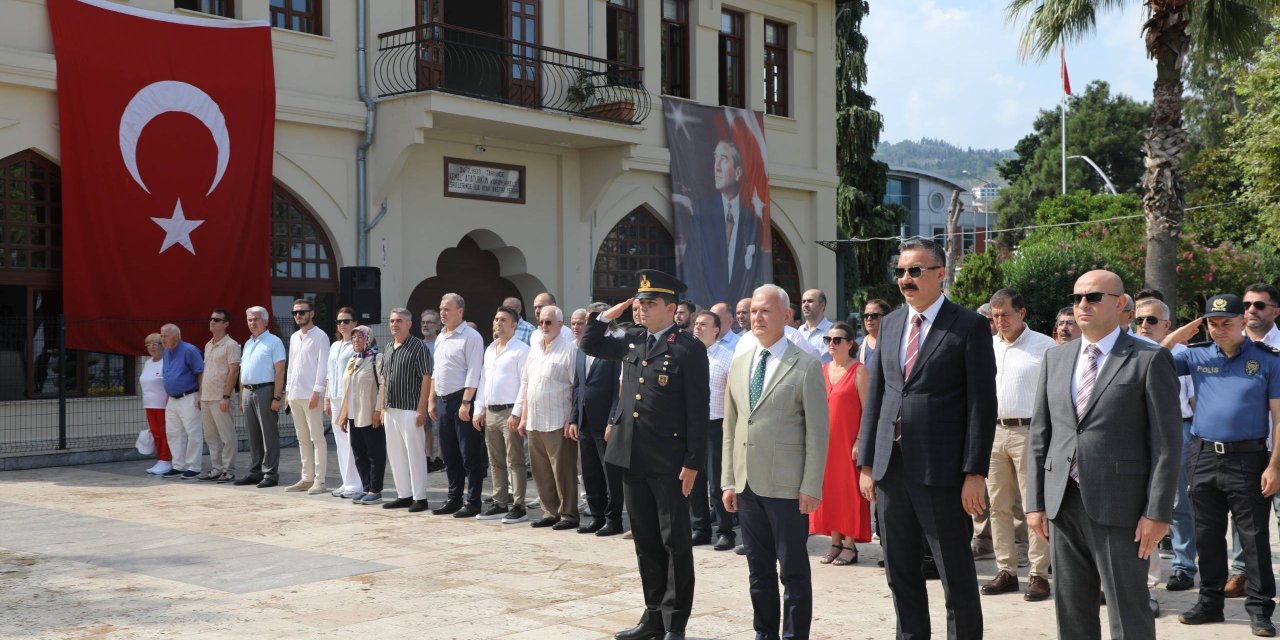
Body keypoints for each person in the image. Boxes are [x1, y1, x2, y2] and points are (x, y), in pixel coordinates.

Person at [1025, 270, 1181, 640]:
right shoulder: (1057, 358)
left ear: (1120, 303)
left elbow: (1167, 442)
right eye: (1078, 297)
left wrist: (1157, 512)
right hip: (1063, 502)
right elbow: (1040, 434)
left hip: (1122, 507)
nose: (1082, 304)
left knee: (1128, 611)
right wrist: (1035, 502)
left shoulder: (1149, 358)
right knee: (1072, 611)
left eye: (1093, 297)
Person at [857, 237, 996, 640]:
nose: (906, 279)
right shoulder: (892, 324)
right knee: (900, 574)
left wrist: (974, 473)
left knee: (955, 576)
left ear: (940, 274)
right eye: (901, 271)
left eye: (915, 271)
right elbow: (878, 397)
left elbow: (981, 405)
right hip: (891, 470)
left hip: (944, 473)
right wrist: (867, 463)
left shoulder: (967, 325)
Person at [580, 269, 709, 640]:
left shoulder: (688, 348)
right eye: (639, 303)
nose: (642, 309)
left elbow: (698, 410)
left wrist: (693, 462)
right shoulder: (632, 340)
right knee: (646, 541)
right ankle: (652, 616)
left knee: (674, 543)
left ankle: (675, 623)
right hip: (631, 455)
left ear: (672, 308)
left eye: (650, 303)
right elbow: (589, 343)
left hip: (669, 461)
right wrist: (608, 314)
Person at [1161, 294, 1280, 636]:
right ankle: (1210, 603)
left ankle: (1259, 609)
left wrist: (1274, 466)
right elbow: (1154, 360)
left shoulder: (1267, 360)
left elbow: (1278, 418)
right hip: (1203, 455)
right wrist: (1178, 335)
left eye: (1226, 322)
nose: (1219, 330)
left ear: (1243, 321)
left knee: (1254, 537)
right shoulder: (1196, 354)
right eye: (1212, 324)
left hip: (1248, 457)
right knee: (1207, 535)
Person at [723, 284, 828, 640]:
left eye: (765, 311)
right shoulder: (740, 365)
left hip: (787, 489)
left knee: (794, 573)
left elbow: (817, 433)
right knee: (758, 571)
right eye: (753, 311)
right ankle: (764, 633)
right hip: (748, 485)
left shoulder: (806, 366)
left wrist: (811, 486)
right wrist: (728, 480)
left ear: (786, 316)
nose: (757, 317)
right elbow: (731, 426)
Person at [981, 289, 1055, 602]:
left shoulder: (1045, 346)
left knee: (1033, 506)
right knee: (996, 507)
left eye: (1006, 315)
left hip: (1030, 432)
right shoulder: (988, 346)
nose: (1000, 322)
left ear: (1021, 313)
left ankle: (1039, 574)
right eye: (995, 316)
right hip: (993, 433)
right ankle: (1007, 570)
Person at [1133, 297, 1198, 594]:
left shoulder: (1183, 354)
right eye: (1140, 320)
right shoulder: (1129, 349)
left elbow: (1195, 401)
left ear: (1167, 325)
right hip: (1137, 433)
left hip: (1178, 431)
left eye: (1151, 320)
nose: (1144, 326)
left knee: (1175, 501)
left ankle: (1184, 565)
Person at [810, 320, 870, 567]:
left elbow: (868, 410)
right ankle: (835, 542)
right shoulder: (822, 370)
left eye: (837, 340)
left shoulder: (859, 370)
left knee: (848, 493)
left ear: (850, 343)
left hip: (848, 442)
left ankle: (849, 544)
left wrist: (860, 440)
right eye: (828, 340)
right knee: (828, 492)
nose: (831, 344)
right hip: (824, 442)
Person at [682, 140, 765, 307]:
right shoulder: (701, 212)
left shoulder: (751, 221)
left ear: (738, 172)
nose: (717, 166)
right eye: (715, 158)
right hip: (706, 308)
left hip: (739, 312)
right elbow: (692, 265)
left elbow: (756, 272)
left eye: (724, 159)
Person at [519, 305, 580, 530]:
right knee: (541, 470)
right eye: (541, 322)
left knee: (563, 471)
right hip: (535, 419)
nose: (544, 326)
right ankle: (549, 512)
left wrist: (571, 419)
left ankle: (569, 514)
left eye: (549, 322)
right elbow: (526, 384)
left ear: (559, 325)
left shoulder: (569, 350)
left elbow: (576, 387)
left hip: (558, 420)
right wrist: (524, 417)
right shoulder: (534, 349)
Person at [428, 293, 486, 517]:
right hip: (443, 402)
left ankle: (473, 502)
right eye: (441, 308)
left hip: (461, 400)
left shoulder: (471, 337)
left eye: (447, 309)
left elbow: (474, 371)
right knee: (449, 455)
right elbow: (436, 371)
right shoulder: (441, 336)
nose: (442, 312)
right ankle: (454, 498)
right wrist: (432, 400)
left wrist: (466, 402)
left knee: (469, 455)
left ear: (460, 311)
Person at [473, 306, 531, 523]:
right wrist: (479, 409)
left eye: (503, 320)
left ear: (514, 325)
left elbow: (524, 385)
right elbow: (483, 382)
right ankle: (499, 502)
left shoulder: (521, 350)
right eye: (496, 319)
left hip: (509, 412)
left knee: (514, 460)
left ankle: (519, 505)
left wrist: (516, 413)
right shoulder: (490, 350)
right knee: (495, 460)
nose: (498, 323)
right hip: (491, 412)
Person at [571, 306, 625, 536]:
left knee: (610, 473)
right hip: (584, 420)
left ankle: (614, 520)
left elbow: (618, 389)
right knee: (590, 472)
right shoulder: (583, 347)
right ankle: (597, 516)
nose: (588, 323)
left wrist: (613, 420)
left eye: (591, 319)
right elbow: (578, 385)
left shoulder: (615, 347)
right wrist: (574, 418)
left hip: (605, 422)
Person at [379, 307, 435, 513]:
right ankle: (404, 494)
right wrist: (382, 407)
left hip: (411, 409)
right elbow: (383, 379)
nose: (394, 324)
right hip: (391, 410)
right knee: (395, 454)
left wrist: (422, 409)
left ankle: (420, 497)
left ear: (409, 324)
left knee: (415, 454)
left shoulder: (418, 347)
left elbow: (426, 378)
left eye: (399, 321)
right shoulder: (387, 348)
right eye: (392, 320)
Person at [689, 310, 736, 550]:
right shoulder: (688, 355)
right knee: (694, 479)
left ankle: (726, 530)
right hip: (691, 426)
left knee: (717, 483)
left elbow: (731, 395)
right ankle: (700, 528)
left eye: (703, 324)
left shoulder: (727, 357)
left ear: (716, 330)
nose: (697, 327)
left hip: (717, 425)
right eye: (696, 324)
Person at [233, 306, 286, 488]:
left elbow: (280, 371)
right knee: (253, 435)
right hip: (247, 392)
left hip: (265, 391)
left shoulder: (274, 342)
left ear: (265, 321)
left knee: (268, 434)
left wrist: (277, 397)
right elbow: (243, 371)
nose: (252, 323)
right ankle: (255, 471)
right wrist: (241, 397)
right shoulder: (247, 344)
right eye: (249, 320)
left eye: (255, 319)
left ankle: (270, 474)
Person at [285, 298, 331, 494]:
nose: (298, 316)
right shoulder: (295, 336)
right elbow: (291, 365)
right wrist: (287, 390)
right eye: (295, 312)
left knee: (317, 438)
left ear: (311, 313)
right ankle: (306, 477)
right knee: (302, 438)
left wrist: (317, 391)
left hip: (311, 394)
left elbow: (323, 366)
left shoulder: (321, 336)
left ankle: (319, 480)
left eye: (302, 312)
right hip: (295, 394)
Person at [335, 325, 385, 505]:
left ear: (368, 339)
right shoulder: (352, 360)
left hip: (370, 413)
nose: (356, 341)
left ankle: (375, 490)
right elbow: (347, 390)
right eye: (354, 337)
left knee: (375, 453)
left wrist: (378, 411)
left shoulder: (376, 359)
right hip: (354, 415)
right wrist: (343, 415)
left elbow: (383, 387)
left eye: (360, 337)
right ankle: (365, 487)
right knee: (359, 452)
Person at [200, 309, 240, 483]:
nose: (212, 322)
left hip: (220, 397)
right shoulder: (208, 345)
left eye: (216, 320)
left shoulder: (231, 345)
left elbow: (233, 371)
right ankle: (216, 468)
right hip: (207, 397)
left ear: (226, 324)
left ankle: (228, 470)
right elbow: (205, 371)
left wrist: (226, 395)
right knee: (210, 436)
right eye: (211, 319)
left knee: (227, 436)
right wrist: (200, 395)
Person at [160, 323, 204, 480]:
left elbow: (200, 373)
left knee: (193, 432)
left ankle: (194, 466)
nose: (162, 339)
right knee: (173, 432)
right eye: (162, 336)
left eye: (165, 336)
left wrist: (200, 395)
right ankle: (178, 465)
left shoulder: (190, 350)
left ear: (177, 336)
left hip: (189, 397)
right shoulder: (166, 351)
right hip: (172, 399)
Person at [325, 307, 361, 498]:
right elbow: (329, 374)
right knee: (340, 442)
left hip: (350, 398)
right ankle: (347, 482)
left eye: (346, 321)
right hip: (334, 397)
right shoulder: (335, 346)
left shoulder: (356, 347)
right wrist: (326, 398)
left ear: (354, 323)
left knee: (351, 441)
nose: (342, 325)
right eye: (339, 321)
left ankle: (356, 484)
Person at [140, 333, 172, 475]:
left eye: (155, 344)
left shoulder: (166, 361)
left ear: (162, 345)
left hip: (163, 404)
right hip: (149, 404)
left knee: (164, 433)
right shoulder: (147, 363)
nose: (151, 347)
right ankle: (161, 459)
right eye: (148, 344)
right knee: (156, 434)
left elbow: (170, 381)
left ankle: (166, 460)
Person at [421, 309, 446, 473]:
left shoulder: (441, 343)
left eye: (429, 322)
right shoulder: (418, 344)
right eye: (423, 322)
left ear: (437, 325)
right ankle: (427, 457)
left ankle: (441, 458)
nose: (425, 325)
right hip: (421, 392)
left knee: (439, 429)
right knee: (425, 427)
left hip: (437, 392)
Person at [797, 289, 833, 364]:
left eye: (810, 301)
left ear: (822, 305)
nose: (805, 305)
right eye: (803, 301)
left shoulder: (832, 330)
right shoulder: (799, 331)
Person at [856, 299, 889, 364]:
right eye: (866, 316)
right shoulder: (857, 345)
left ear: (886, 317)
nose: (869, 319)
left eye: (874, 316)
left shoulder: (895, 343)